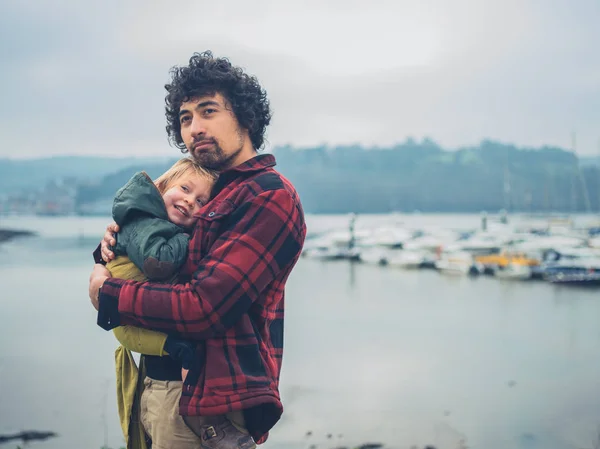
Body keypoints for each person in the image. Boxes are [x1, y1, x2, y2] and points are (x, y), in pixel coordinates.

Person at [88, 51, 307, 448]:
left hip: (205, 406)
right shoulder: (213, 191)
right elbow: (164, 257)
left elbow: (204, 307)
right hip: (154, 385)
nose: (194, 128)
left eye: (208, 111)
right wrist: (113, 247)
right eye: (186, 118)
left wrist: (108, 293)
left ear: (245, 116)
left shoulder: (268, 196)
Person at [103, 157, 220, 449]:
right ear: (161, 186)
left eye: (202, 201)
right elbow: (156, 262)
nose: (190, 201)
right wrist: (191, 239)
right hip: (164, 383)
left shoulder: (155, 226)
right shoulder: (152, 227)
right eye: (184, 188)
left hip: (160, 381)